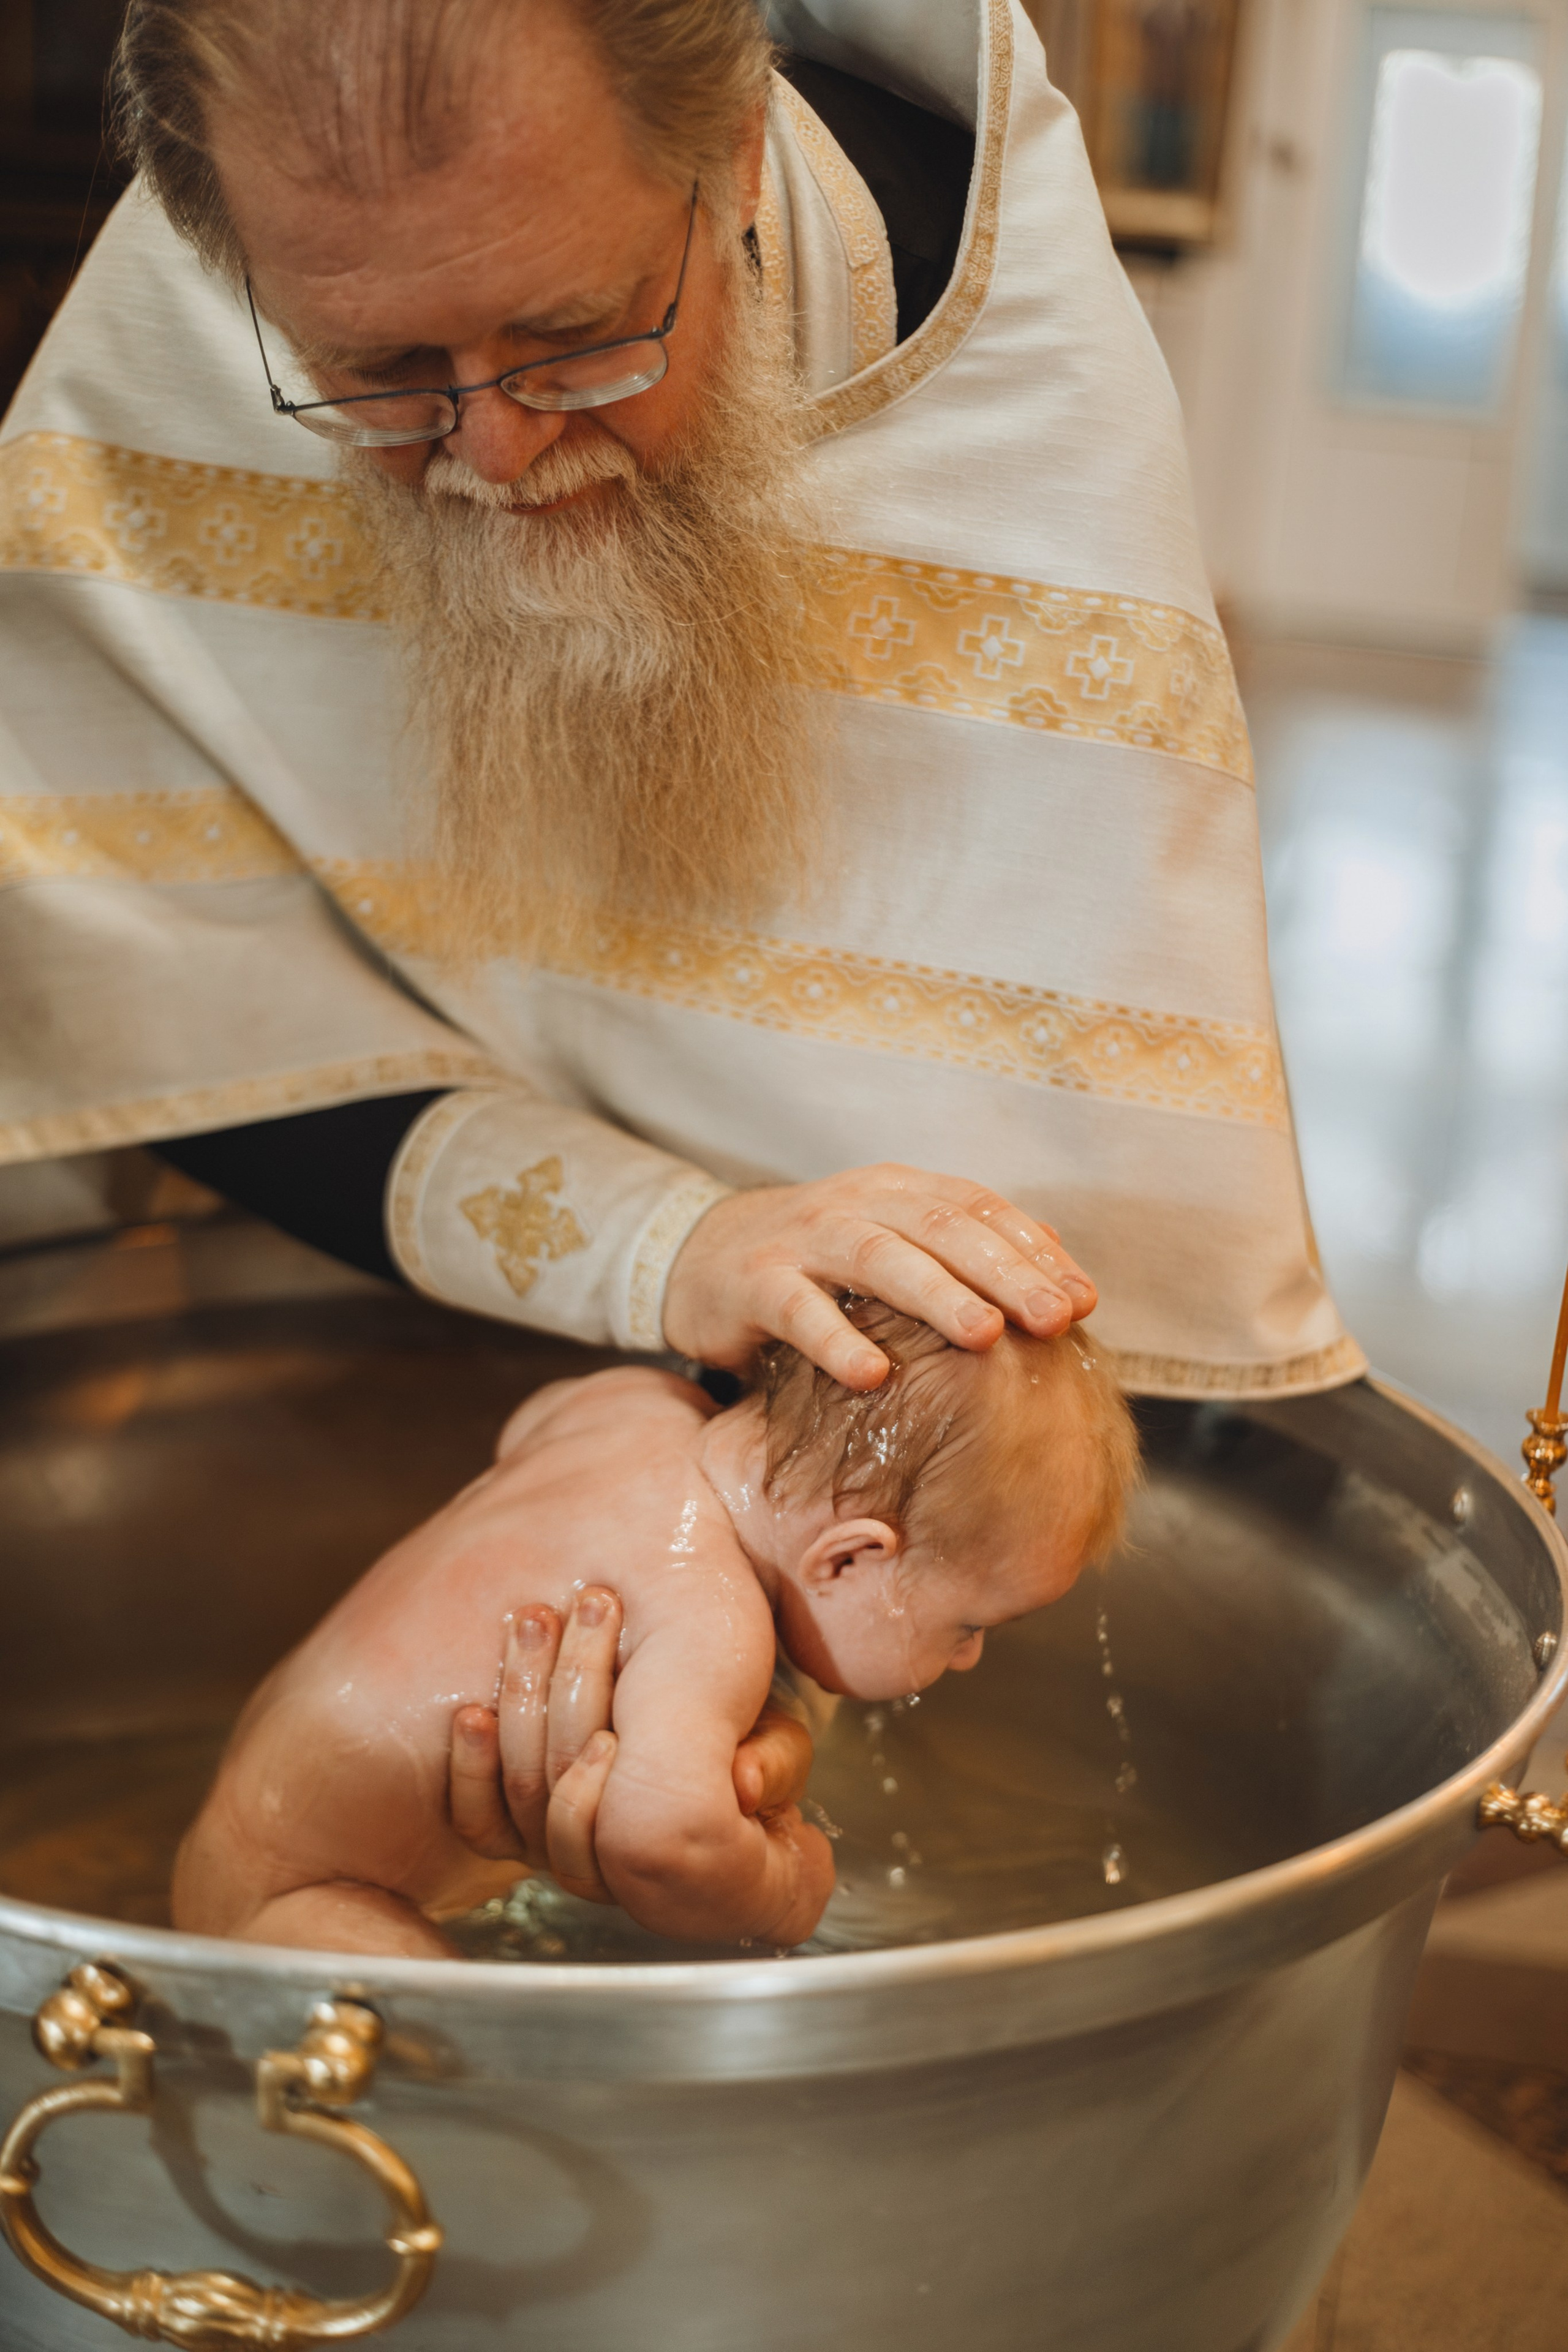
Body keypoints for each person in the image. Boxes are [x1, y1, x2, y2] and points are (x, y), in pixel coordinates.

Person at [173, 1302, 1139, 1956]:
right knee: (476, 2066)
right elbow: (665, 1841)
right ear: (845, 1557)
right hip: (305, 1918)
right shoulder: (709, 1619)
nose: (968, 1659)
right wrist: (784, 1891)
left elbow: (531, 1425)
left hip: (251, 1814)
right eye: (970, 1625)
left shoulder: (631, 1405)